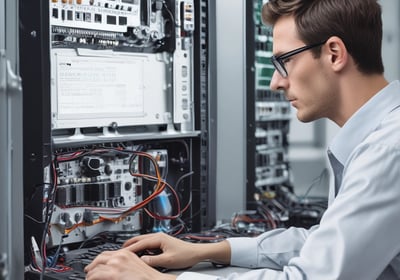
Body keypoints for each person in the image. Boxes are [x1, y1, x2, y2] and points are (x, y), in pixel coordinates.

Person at [84, 0, 400, 279]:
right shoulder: (378, 136)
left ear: (334, 54)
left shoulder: (388, 150)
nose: (277, 82)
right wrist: (207, 250)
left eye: (284, 62)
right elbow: (328, 245)